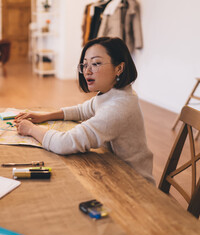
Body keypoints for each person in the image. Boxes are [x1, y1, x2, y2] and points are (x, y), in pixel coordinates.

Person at [15, 37, 154, 184]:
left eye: (96, 63)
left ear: (119, 68)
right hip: (114, 168)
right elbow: (83, 110)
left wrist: (31, 129)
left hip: (133, 182)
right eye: (85, 65)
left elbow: (64, 143)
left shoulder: (118, 108)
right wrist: (45, 116)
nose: (87, 71)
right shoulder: (114, 94)